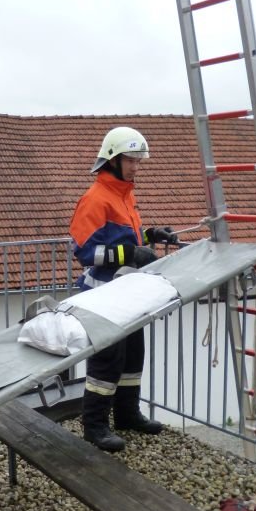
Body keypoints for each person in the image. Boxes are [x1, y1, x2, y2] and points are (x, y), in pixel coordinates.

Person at [69, 127, 179, 452]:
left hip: (128, 293)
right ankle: (95, 426)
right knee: (107, 362)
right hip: (104, 297)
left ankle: (127, 414)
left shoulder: (123, 194)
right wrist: (129, 254)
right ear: (114, 160)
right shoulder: (95, 199)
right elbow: (85, 253)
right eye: (131, 160)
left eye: (138, 161)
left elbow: (125, 238)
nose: (136, 167)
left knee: (133, 357)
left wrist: (150, 235)